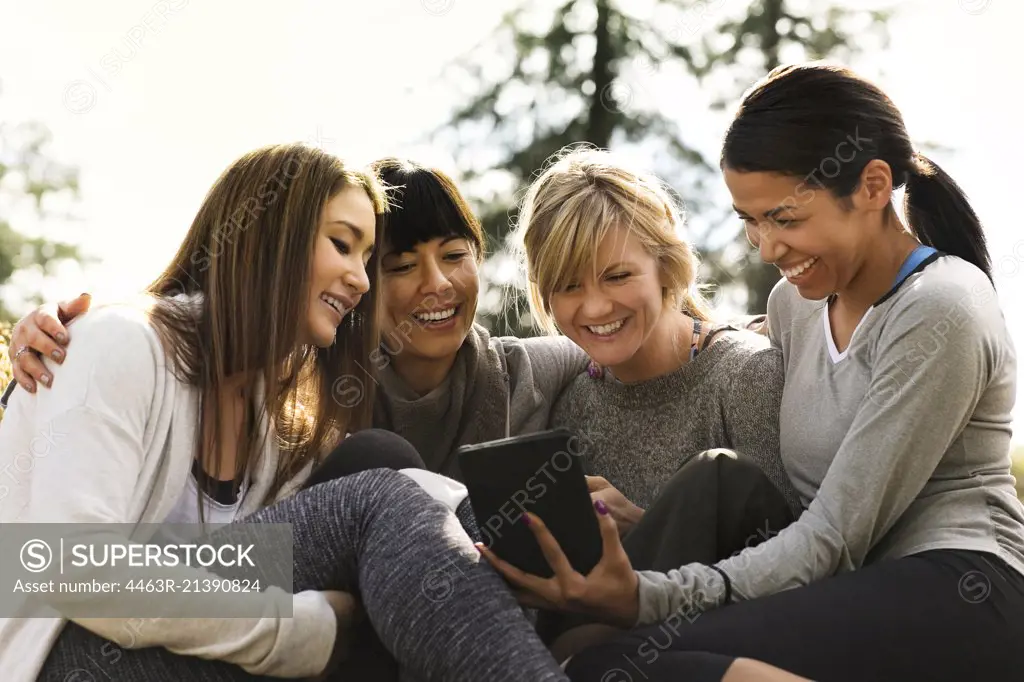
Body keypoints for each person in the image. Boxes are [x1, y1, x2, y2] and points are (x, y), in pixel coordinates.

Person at [479, 62, 1024, 682]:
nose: (765, 248)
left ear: (874, 186)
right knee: (610, 660)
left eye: (785, 219)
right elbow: (693, 349)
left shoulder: (940, 308)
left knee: (613, 663)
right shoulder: (795, 304)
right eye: (750, 220)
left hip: (960, 586)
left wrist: (646, 596)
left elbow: (833, 536)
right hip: (855, 589)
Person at [0, 142, 572, 681]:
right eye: (343, 245)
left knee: (397, 485)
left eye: (369, 257)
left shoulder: (277, 415)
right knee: (378, 501)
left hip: (182, 642)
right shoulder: (118, 341)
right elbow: (75, 568)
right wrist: (299, 632)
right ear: (267, 238)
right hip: (69, 658)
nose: (360, 278)